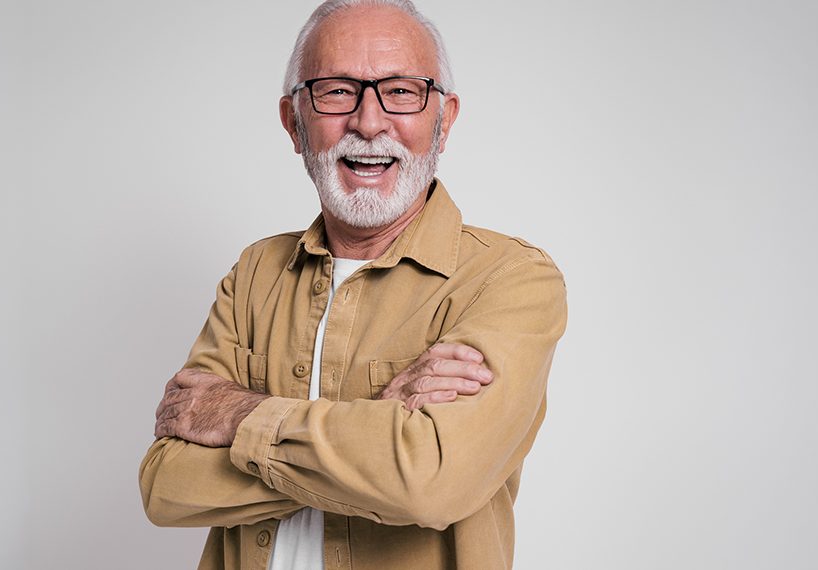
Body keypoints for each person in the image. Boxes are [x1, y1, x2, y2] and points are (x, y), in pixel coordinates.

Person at [139, 1, 567, 568]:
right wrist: (373, 440)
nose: (369, 122)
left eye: (402, 91)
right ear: (295, 122)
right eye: (337, 91)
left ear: (444, 118)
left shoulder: (510, 279)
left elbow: (429, 483)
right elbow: (166, 487)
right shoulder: (254, 275)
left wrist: (236, 416)